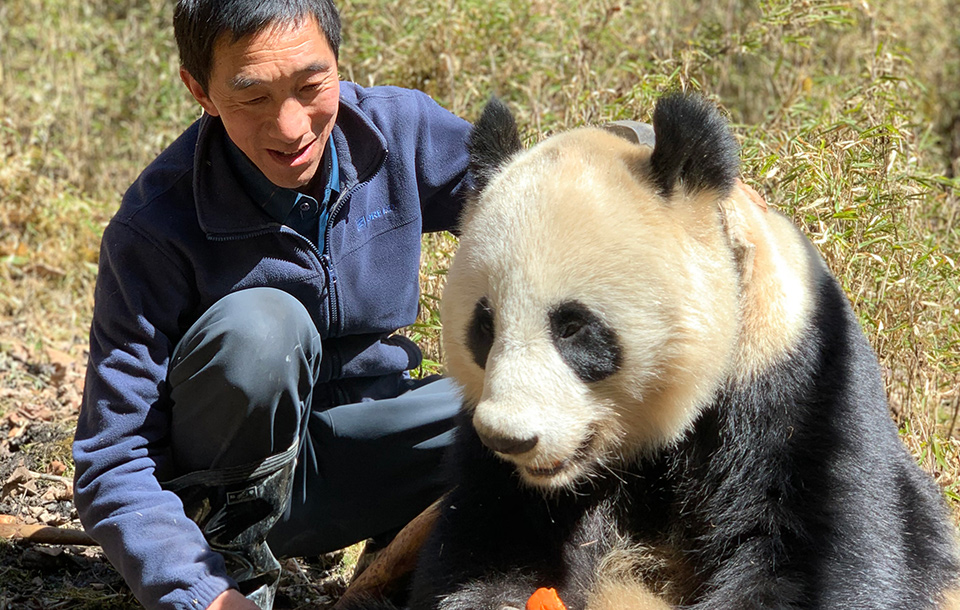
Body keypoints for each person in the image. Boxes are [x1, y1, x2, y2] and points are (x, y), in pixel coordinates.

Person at [71, 1, 472, 608]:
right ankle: (236, 572)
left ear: (339, 62)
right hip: (223, 498)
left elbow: (532, 208)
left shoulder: (401, 132)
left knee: (521, 414)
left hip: (367, 454)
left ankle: (409, 551)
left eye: (312, 86)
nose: (291, 128)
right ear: (199, 91)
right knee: (263, 328)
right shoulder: (155, 228)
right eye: (252, 97)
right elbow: (113, 460)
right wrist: (197, 591)